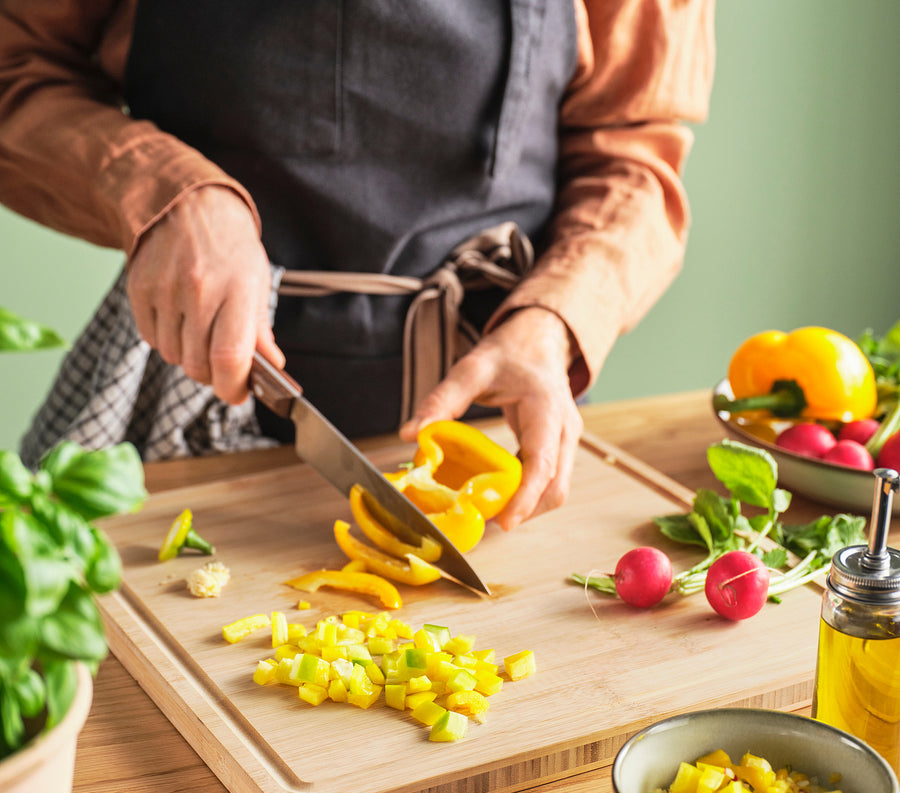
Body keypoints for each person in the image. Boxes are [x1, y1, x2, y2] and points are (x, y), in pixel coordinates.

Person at [0, 0, 715, 532]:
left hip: (502, 431)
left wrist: (557, 319)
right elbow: (13, 65)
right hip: (191, 401)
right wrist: (168, 193)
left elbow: (632, 148)